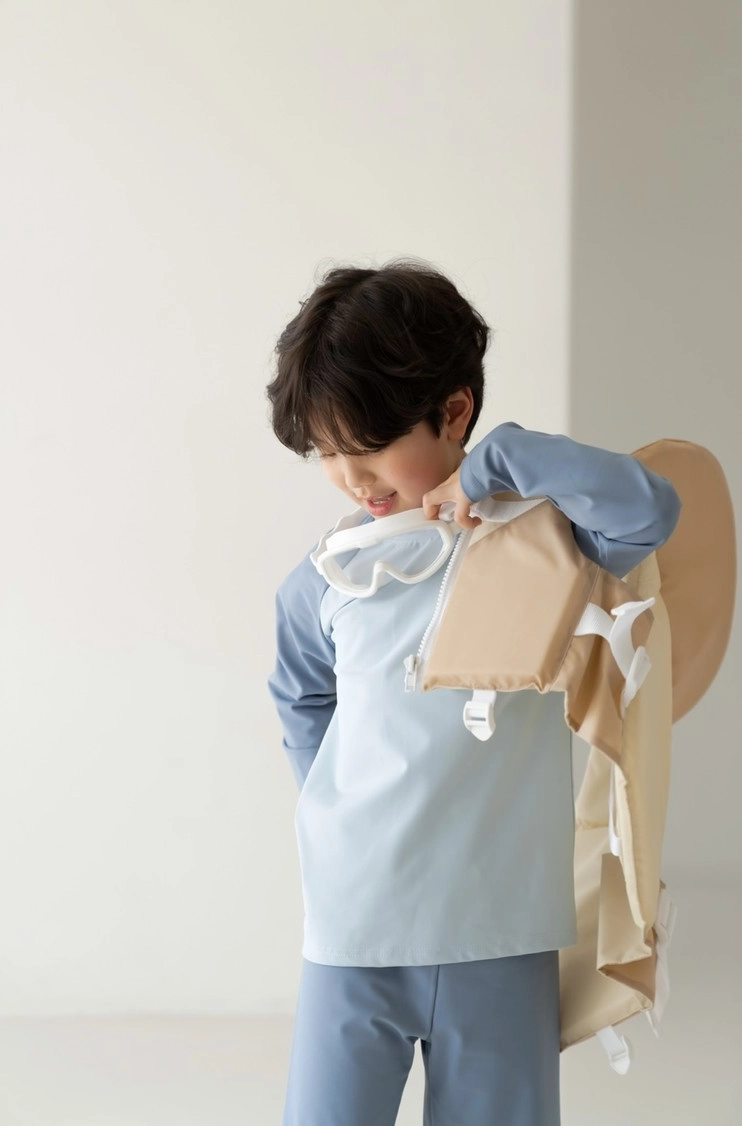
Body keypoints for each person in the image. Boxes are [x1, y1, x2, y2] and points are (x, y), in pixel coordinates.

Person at [265, 259, 682, 1126]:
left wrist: (503, 459)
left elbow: (651, 509)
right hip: (356, 927)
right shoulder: (329, 578)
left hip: (501, 931)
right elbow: (300, 695)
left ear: (453, 411)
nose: (351, 478)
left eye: (369, 446)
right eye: (329, 453)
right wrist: (334, 810)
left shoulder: (549, 544)